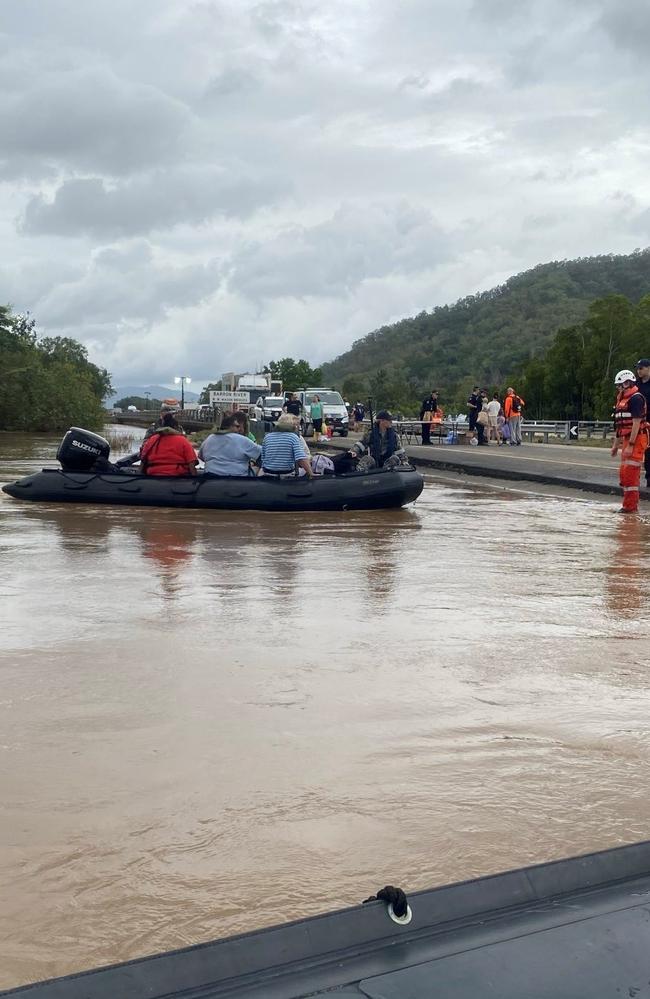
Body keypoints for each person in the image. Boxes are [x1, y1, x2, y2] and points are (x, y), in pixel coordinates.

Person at [611, 368, 648, 513]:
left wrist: (631, 445)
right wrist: (615, 445)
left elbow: (637, 423)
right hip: (627, 439)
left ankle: (630, 508)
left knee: (631, 474)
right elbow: (620, 425)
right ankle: (628, 506)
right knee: (625, 474)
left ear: (627, 383)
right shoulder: (622, 399)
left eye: (619, 385)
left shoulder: (636, 398)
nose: (618, 388)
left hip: (637, 439)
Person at [260, 413, 313, 478]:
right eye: (296, 425)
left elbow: (263, 457)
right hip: (286, 474)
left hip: (268, 473)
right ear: (292, 426)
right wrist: (311, 474)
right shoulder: (293, 437)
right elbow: (301, 458)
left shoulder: (267, 437)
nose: (298, 427)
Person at [636, 358, 650, 488]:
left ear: (648, 368)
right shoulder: (636, 385)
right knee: (646, 451)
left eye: (641, 368)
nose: (638, 371)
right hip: (641, 423)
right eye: (638, 368)